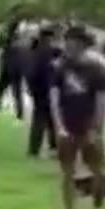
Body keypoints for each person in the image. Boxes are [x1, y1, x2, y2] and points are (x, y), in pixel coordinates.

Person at [51, 26, 105, 209]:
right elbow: (55, 100)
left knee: (97, 171)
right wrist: (59, 126)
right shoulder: (60, 68)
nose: (69, 46)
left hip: (89, 126)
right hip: (68, 125)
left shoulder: (98, 70)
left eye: (74, 42)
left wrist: (97, 128)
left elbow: (103, 102)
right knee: (67, 171)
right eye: (67, 42)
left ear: (83, 45)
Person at [27, 27, 61, 158]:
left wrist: (31, 88)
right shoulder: (51, 52)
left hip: (37, 89)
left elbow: (31, 73)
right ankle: (54, 146)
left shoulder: (34, 51)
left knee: (40, 119)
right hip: (48, 88)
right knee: (51, 118)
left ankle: (34, 148)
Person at [0, 21, 27, 121]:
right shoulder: (12, 39)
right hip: (9, 68)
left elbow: (3, 43)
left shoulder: (14, 39)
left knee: (12, 92)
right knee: (4, 91)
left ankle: (18, 114)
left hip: (12, 68)